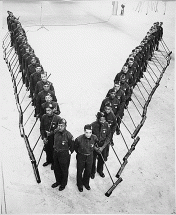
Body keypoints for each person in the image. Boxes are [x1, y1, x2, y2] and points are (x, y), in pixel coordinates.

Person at [52, 118, 74, 191]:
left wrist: (69, 152)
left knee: (64, 170)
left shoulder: (69, 135)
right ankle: (58, 181)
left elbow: (73, 146)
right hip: (56, 153)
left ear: (65, 126)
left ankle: (63, 184)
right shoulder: (55, 132)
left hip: (64, 155)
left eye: (62, 126)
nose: (60, 127)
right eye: (59, 125)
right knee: (56, 168)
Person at [74, 124, 99, 192]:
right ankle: (79, 185)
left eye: (90, 132)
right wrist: (80, 153)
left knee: (88, 171)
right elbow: (75, 147)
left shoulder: (94, 138)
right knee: (79, 171)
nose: (88, 134)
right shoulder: (79, 139)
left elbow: (95, 144)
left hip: (90, 157)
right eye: (87, 132)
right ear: (84, 132)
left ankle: (86, 183)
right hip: (81, 156)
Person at [40, 105, 61, 170]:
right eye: (46, 110)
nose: (47, 112)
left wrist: (51, 133)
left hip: (54, 138)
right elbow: (42, 128)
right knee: (47, 149)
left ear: (53, 110)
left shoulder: (57, 118)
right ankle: (48, 160)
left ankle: (54, 163)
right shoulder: (44, 117)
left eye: (49, 110)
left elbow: (59, 129)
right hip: (46, 137)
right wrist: (43, 137)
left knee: (53, 151)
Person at [90, 112, 111, 179]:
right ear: (97, 119)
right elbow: (89, 138)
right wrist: (95, 148)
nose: (102, 122)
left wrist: (103, 147)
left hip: (103, 145)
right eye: (101, 120)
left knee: (102, 159)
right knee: (93, 160)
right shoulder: (92, 125)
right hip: (95, 145)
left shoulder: (107, 125)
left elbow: (108, 137)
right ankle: (92, 172)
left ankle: (100, 170)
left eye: (104, 120)